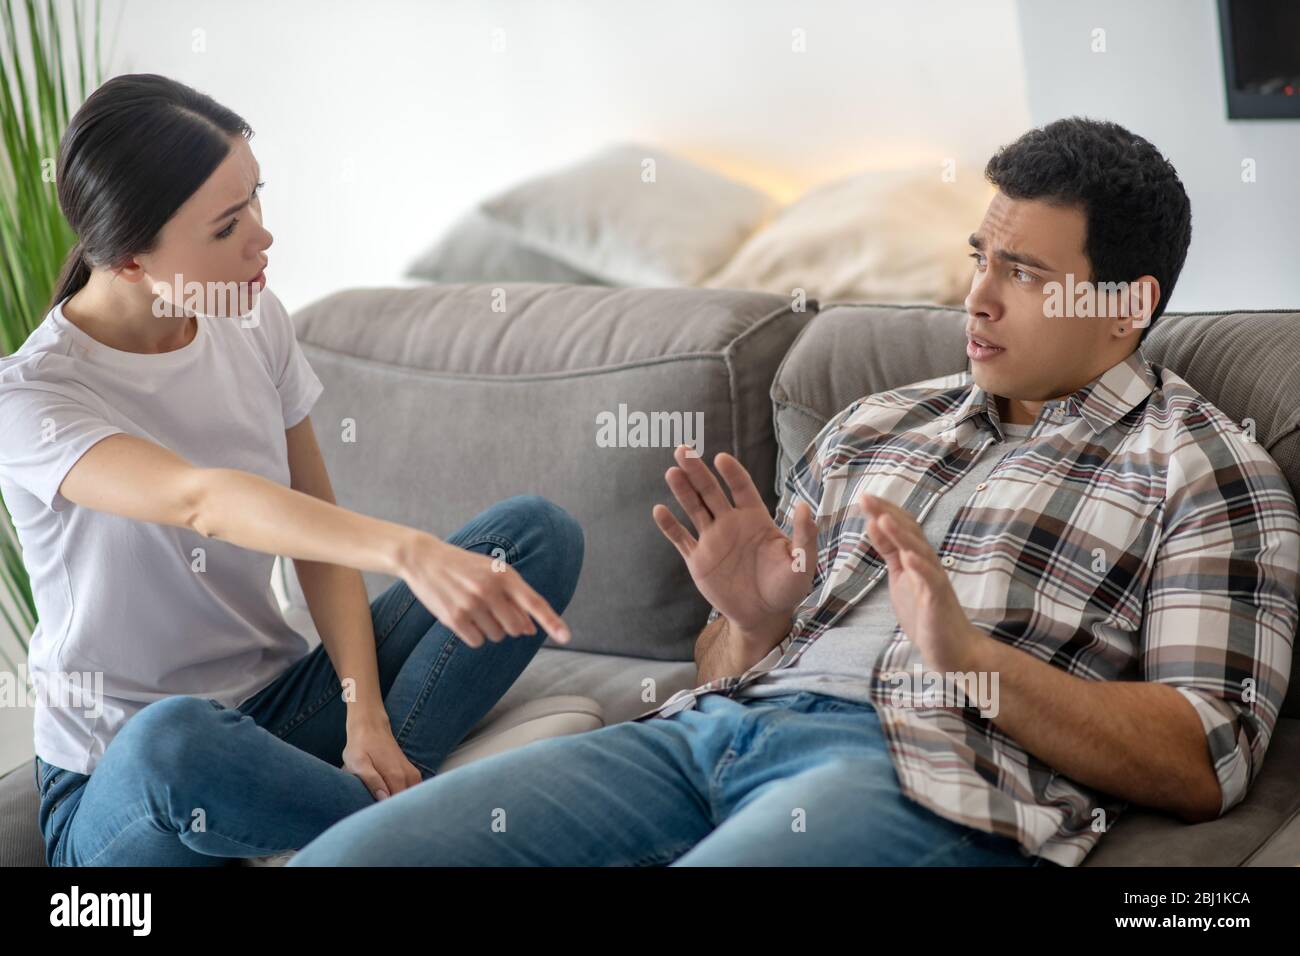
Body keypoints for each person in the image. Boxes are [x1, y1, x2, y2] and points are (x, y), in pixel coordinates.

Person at [287, 117, 1299, 867]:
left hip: (918, 772)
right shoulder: (875, 421)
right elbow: (720, 664)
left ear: (1125, 306)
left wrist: (971, 661)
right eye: (977, 257)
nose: (975, 297)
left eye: (1023, 273)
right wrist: (751, 622)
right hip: (703, 736)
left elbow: (1204, 758)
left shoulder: (1204, 471)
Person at [0, 73, 583, 867]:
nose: (263, 239)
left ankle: (337, 812)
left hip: (280, 710)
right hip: (124, 780)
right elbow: (197, 499)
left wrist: (364, 714)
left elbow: (319, 539)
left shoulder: (253, 319)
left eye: (257, 199)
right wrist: (407, 549)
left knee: (533, 537)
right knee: (170, 737)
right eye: (227, 225)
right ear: (132, 260)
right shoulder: (31, 399)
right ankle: (406, 828)